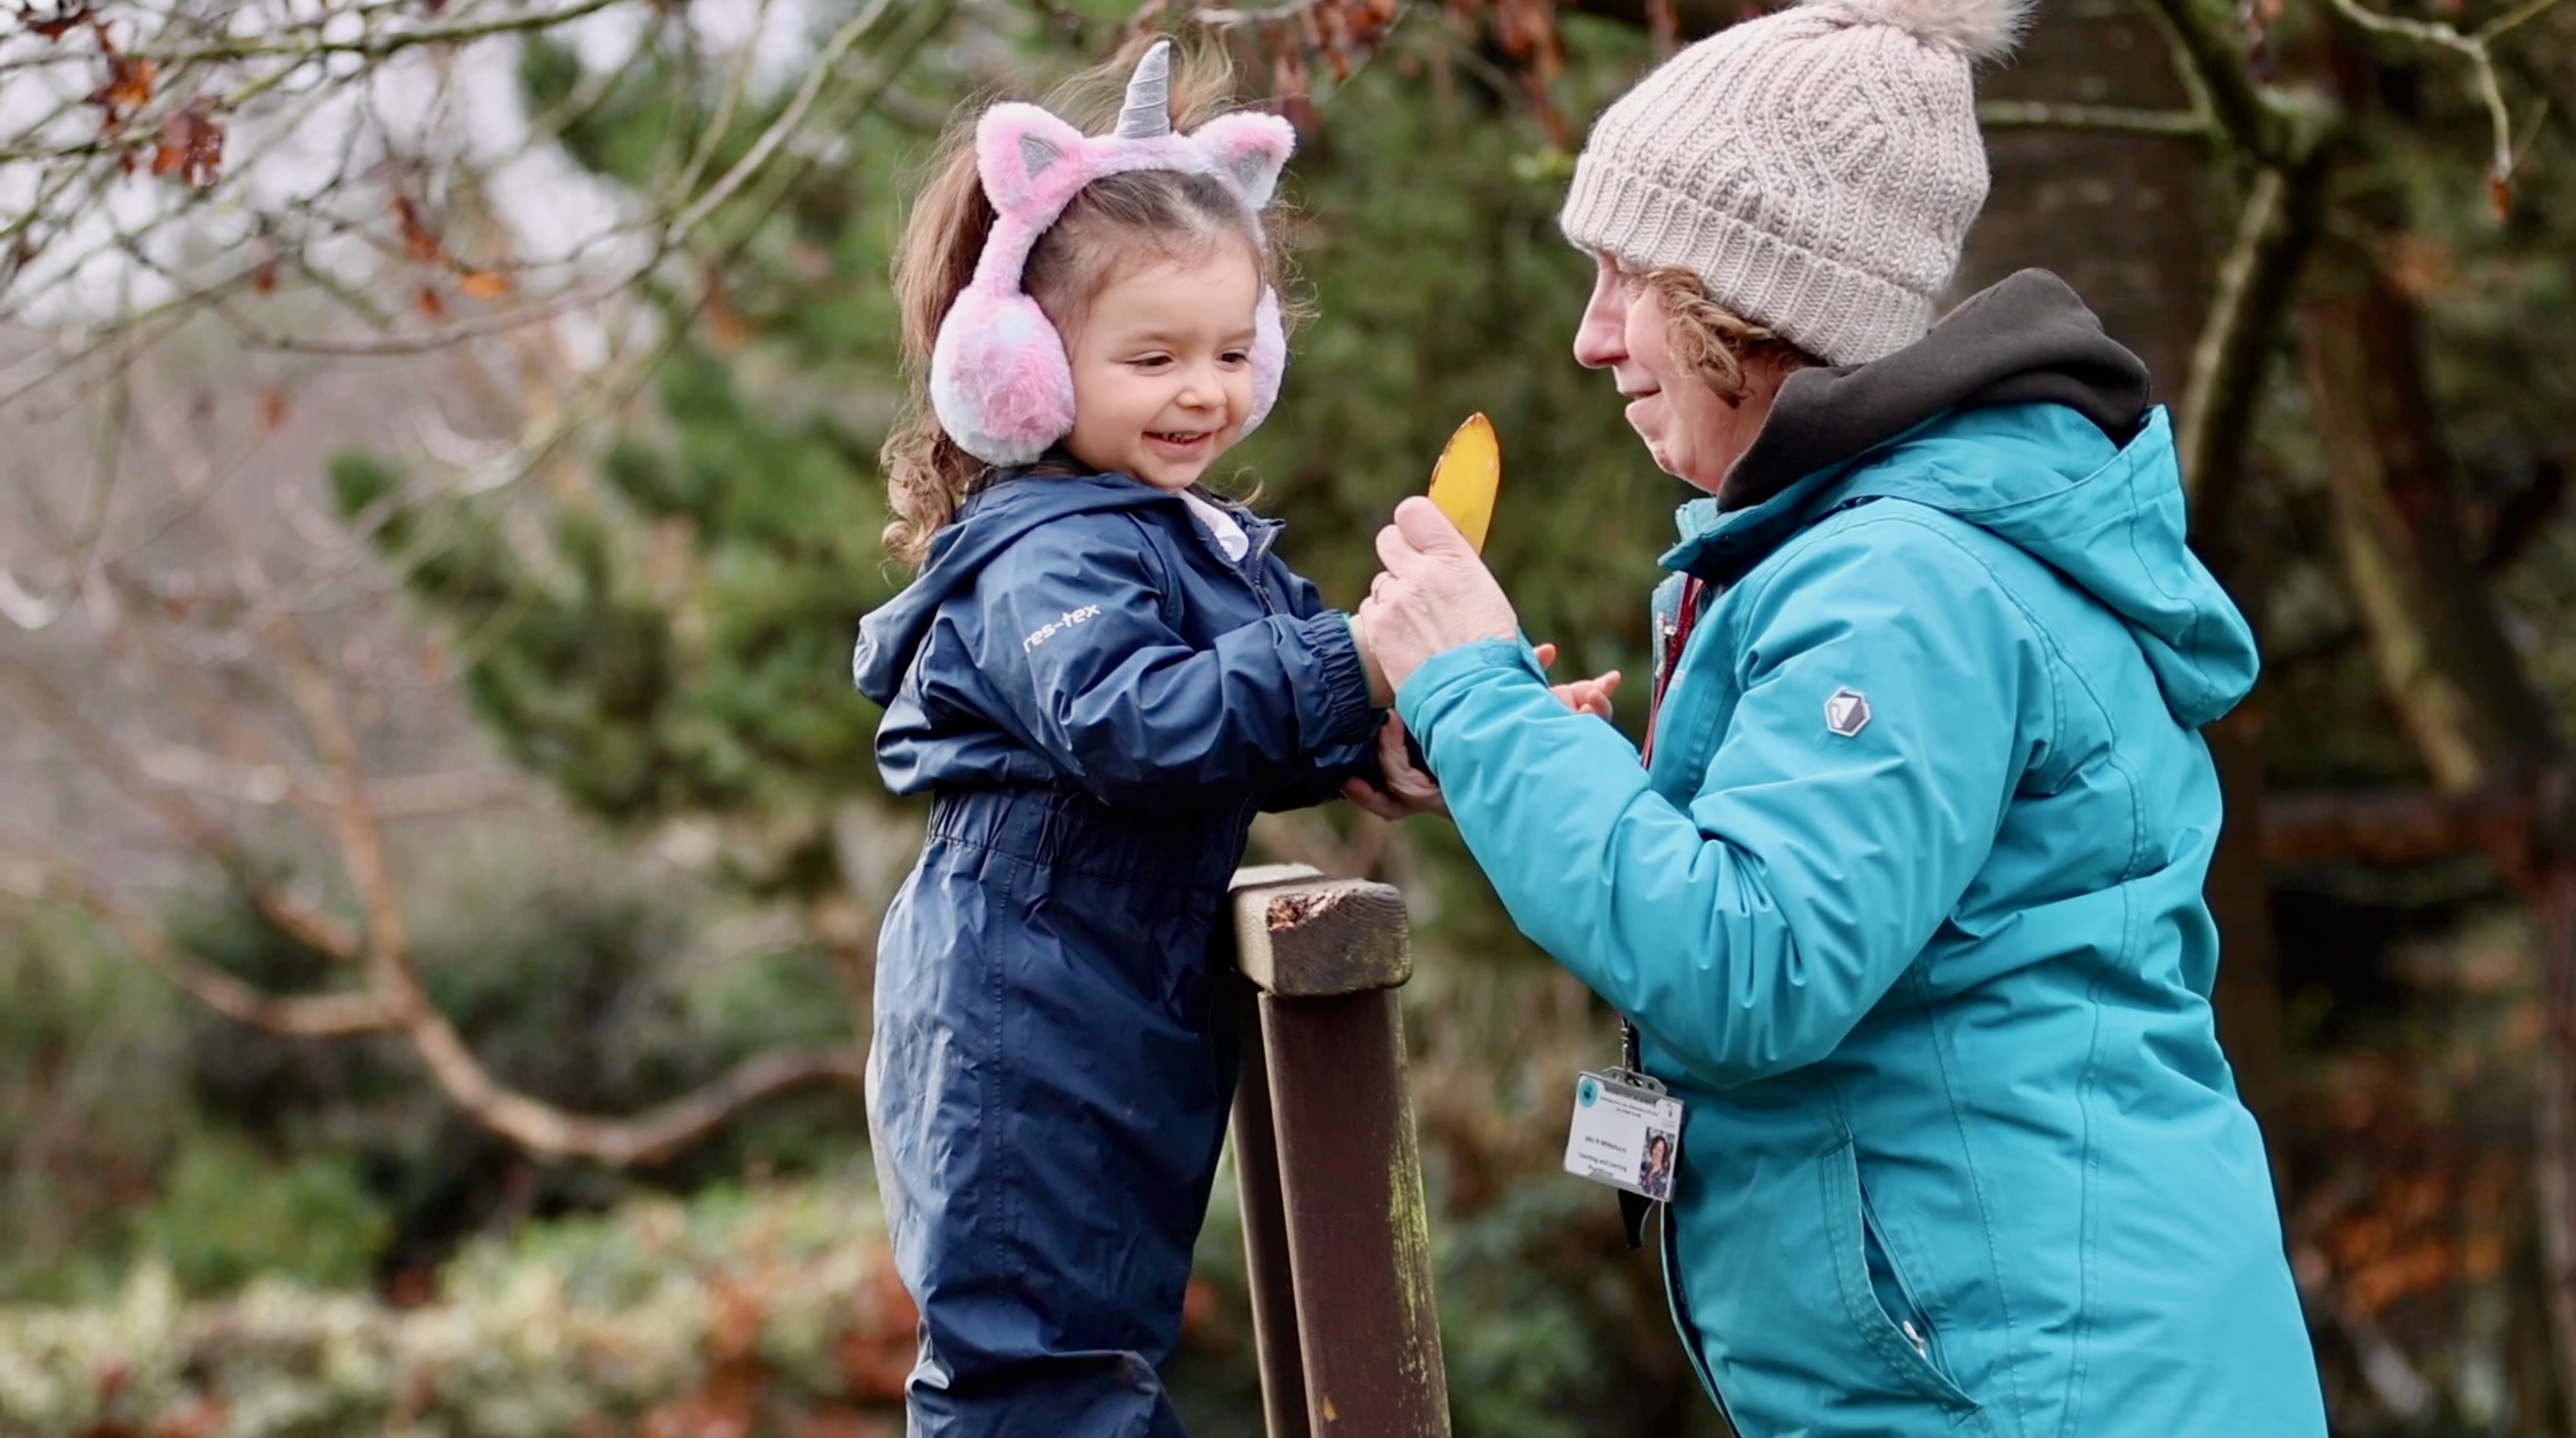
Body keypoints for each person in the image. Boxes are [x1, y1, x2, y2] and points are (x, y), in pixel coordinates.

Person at [1340, 0, 2332, 1431]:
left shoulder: (1900, 584)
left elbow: (1754, 965)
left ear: (1752, 297)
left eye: (1628, 277)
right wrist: (1521, 752)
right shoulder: (1872, 550)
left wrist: (1479, 697)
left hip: (2030, 1388)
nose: (1590, 338)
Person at [849, 40, 1380, 1436]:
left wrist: (1414, 725)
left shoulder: (1186, 538)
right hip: (1021, 999)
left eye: (1229, 352)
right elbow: (1132, 722)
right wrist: (1355, 663)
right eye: (1151, 358)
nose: (1202, 391)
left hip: (1113, 988)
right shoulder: (1046, 552)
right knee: (1039, 1373)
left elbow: (1275, 704)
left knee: (1103, 1352)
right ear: (1025, 366)